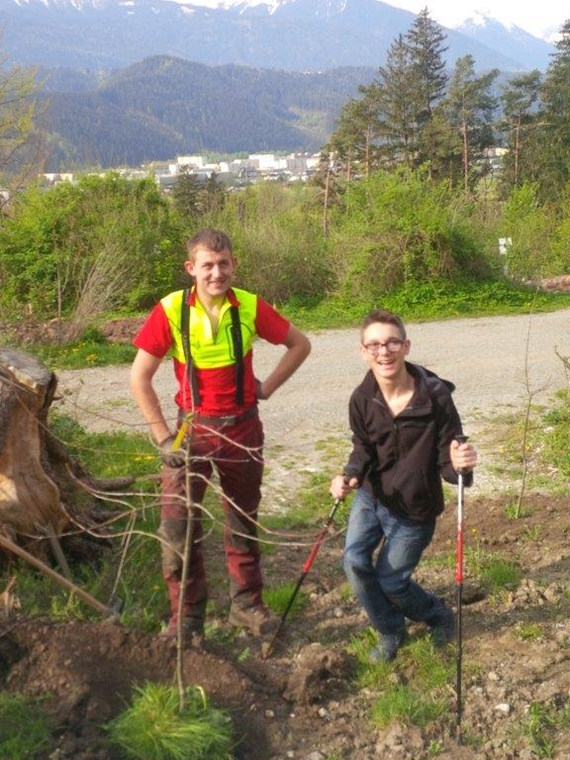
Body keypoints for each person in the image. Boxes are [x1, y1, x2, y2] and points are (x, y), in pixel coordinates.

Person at [130, 228, 311, 641]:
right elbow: (139, 378)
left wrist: (265, 389)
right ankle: (186, 618)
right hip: (189, 432)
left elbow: (300, 345)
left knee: (242, 521)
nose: (216, 272)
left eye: (224, 263)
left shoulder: (248, 306)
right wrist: (161, 437)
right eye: (207, 265)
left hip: (243, 429)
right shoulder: (171, 310)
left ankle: (247, 606)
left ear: (234, 265)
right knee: (177, 527)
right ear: (190, 268)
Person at [330, 309, 477, 662]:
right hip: (371, 497)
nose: (385, 351)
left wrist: (460, 467)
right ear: (363, 351)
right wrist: (350, 474)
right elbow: (363, 446)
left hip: (415, 508)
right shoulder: (362, 398)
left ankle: (437, 614)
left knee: (392, 581)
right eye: (375, 345)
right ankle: (390, 629)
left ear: (406, 346)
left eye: (392, 342)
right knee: (353, 562)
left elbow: (450, 457)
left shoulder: (436, 396)